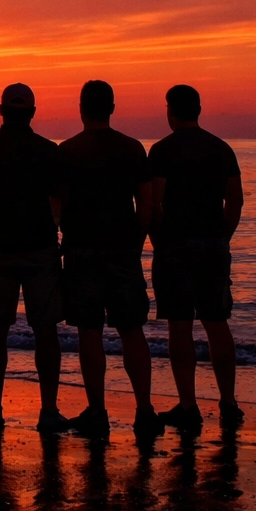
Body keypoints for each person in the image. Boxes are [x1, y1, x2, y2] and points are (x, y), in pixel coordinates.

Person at [0, 83, 70, 432]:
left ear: (1, 110)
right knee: (45, 330)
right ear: (33, 113)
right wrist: (57, 235)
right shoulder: (48, 151)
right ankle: (49, 409)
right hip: (40, 247)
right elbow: (60, 202)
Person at [58, 79, 159, 439]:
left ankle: (98, 410)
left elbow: (58, 204)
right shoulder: (133, 150)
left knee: (90, 331)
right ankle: (144, 409)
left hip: (82, 249)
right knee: (132, 329)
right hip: (122, 249)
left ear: (82, 109)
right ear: (112, 108)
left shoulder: (67, 151)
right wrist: (137, 240)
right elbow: (146, 204)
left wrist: (65, 234)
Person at [145, 84, 244, 431]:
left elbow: (153, 202)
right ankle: (229, 401)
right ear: (199, 110)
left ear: (171, 111)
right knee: (217, 323)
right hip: (212, 245)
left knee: (180, 324)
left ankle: (188, 404)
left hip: (175, 246)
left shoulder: (162, 151)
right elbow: (236, 200)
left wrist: (158, 239)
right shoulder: (221, 149)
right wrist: (223, 236)